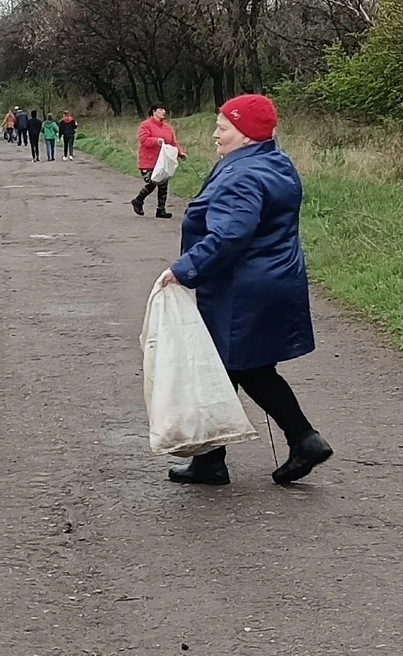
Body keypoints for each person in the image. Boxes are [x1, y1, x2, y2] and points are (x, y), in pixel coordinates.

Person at [160, 94, 331, 487]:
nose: (215, 133)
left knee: (221, 367)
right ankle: (294, 442)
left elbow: (229, 235)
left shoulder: (241, 176)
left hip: (241, 288)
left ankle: (221, 458)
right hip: (270, 279)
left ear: (247, 135)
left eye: (223, 127)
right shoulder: (275, 162)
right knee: (244, 367)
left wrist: (184, 269)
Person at [133, 106, 177, 217]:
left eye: (164, 109)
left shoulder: (167, 128)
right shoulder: (145, 125)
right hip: (147, 161)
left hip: (162, 161)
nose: (164, 111)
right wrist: (156, 141)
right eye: (160, 109)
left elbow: (173, 143)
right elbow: (144, 140)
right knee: (152, 182)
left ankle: (161, 210)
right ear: (153, 111)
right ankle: (138, 200)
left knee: (163, 185)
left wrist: (180, 153)